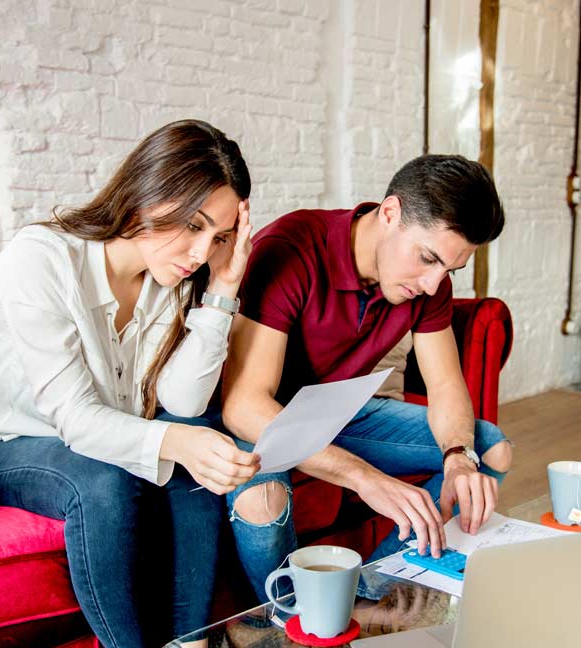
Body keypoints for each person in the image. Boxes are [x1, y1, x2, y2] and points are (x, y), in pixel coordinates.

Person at [0, 120, 260, 648]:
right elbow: (74, 419)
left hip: (102, 444)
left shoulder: (165, 280)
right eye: (194, 226)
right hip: (2, 452)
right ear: (147, 194)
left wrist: (224, 287)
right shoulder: (40, 259)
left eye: (218, 236)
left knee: (196, 429)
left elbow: (182, 403)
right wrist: (175, 444)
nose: (201, 252)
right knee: (103, 480)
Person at [219, 154, 513, 602]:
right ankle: (282, 619)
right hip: (265, 421)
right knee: (261, 501)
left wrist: (457, 455)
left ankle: (361, 596)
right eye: (428, 259)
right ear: (391, 213)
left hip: (337, 412)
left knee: (488, 449)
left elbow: (447, 388)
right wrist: (364, 478)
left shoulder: (429, 286)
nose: (434, 285)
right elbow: (243, 408)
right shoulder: (292, 247)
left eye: (448, 271)